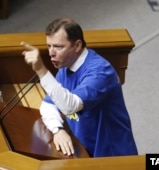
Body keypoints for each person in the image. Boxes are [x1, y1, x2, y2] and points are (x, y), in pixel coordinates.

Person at [21, 18, 138, 157]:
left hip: (112, 154)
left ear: (77, 45)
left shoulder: (100, 71)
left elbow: (70, 106)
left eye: (58, 47)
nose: (51, 53)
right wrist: (57, 130)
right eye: (49, 46)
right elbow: (48, 105)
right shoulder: (65, 66)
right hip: (84, 150)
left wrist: (41, 70)